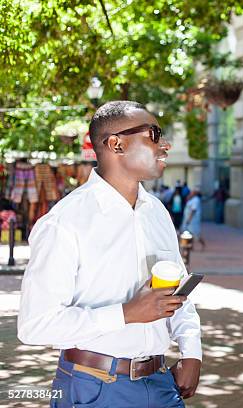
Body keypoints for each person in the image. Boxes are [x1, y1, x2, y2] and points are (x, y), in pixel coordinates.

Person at [18, 101, 202, 407]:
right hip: (94, 387)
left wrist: (192, 351)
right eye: (154, 134)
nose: (164, 145)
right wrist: (126, 314)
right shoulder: (64, 222)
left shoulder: (156, 211)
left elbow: (176, 290)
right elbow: (35, 325)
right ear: (116, 144)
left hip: (161, 384)